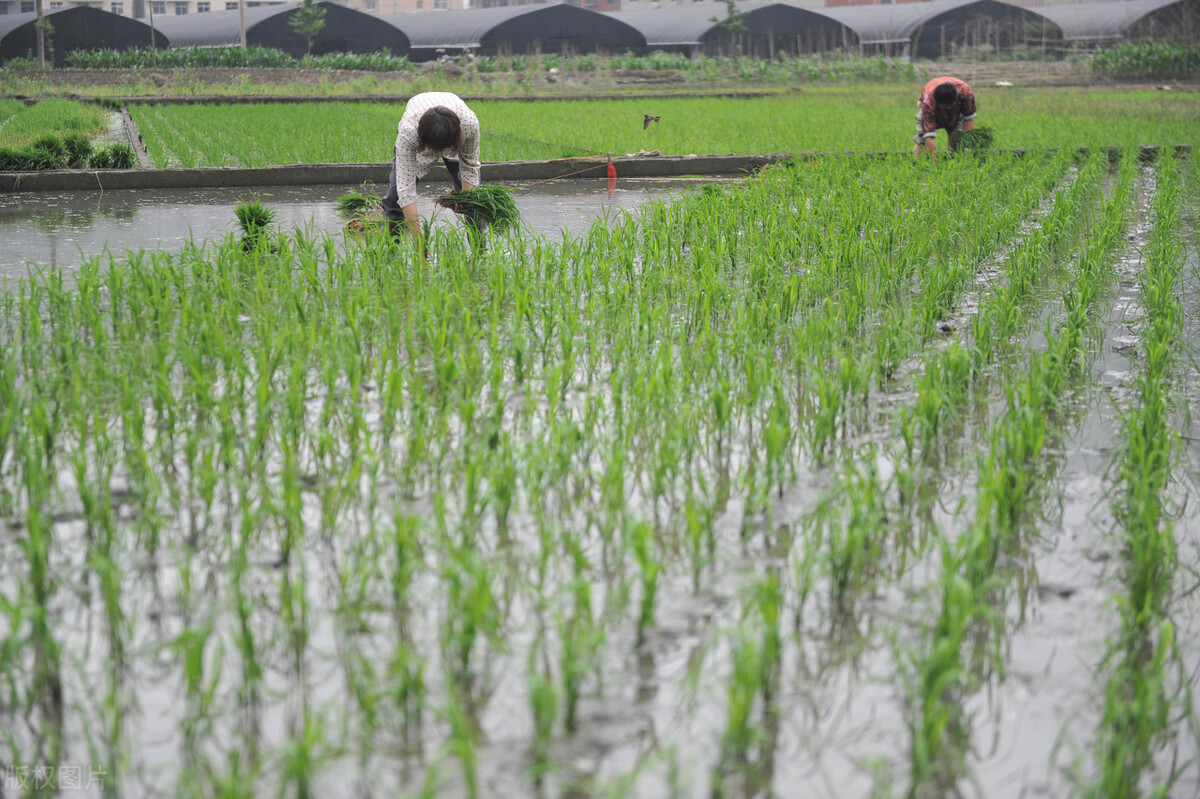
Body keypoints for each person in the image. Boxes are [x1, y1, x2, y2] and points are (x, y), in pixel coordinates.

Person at [381, 92, 482, 252]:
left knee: (475, 203)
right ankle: (388, 254)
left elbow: (469, 167)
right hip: (421, 135)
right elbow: (405, 189)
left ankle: (480, 252)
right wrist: (418, 238)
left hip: (455, 138)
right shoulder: (409, 133)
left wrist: (465, 199)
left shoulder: (468, 126)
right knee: (394, 200)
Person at [913, 77, 976, 160]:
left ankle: (955, 162)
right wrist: (935, 164)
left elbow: (968, 119)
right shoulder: (928, 103)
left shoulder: (966, 93)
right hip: (931, 106)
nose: (948, 108)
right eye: (945, 106)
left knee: (957, 139)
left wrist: (966, 145)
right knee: (922, 141)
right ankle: (916, 164)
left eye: (950, 105)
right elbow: (929, 135)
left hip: (956, 110)